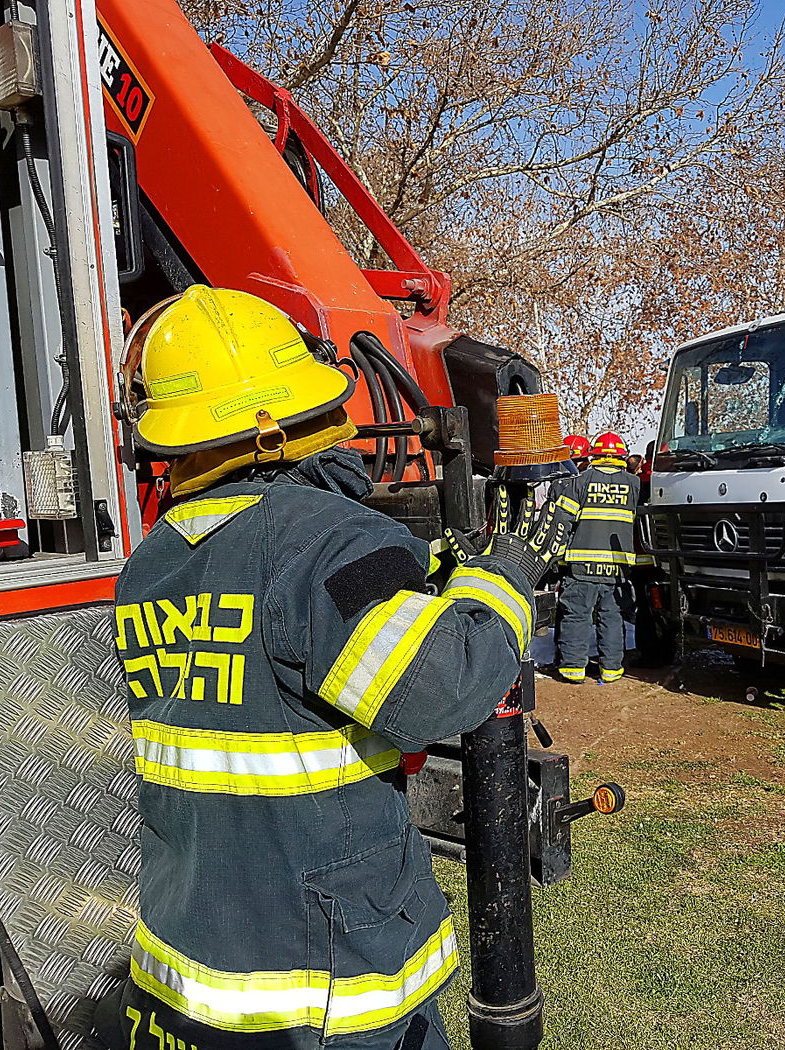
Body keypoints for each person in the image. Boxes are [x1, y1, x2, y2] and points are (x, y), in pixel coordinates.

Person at [101, 286, 575, 1050]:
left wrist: (428, 578)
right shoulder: (321, 539)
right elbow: (442, 684)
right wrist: (508, 571)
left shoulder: (154, 563)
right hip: (326, 991)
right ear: (289, 419)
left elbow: (278, 653)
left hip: (191, 973)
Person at [555, 431, 638, 684]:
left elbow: (562, 521)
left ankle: (573, 669)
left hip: (581, 566)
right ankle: (611, 670)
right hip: (618, 569)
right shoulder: (634, 484)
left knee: (576, 616)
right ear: (622, 456)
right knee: (611, 618)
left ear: (595, 455)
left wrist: (559, 559)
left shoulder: (580, 481)